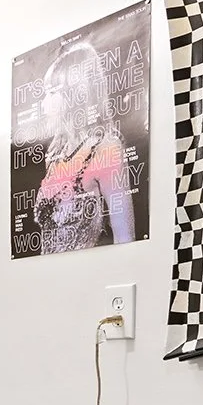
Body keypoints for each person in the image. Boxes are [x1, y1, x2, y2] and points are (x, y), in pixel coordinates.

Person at [32, 39, 136, 254]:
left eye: (52, 93)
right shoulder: (55, 153)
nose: (43, 105)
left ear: (76, 94)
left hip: (89, 278)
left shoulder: (105, 148)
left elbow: (124, 236)